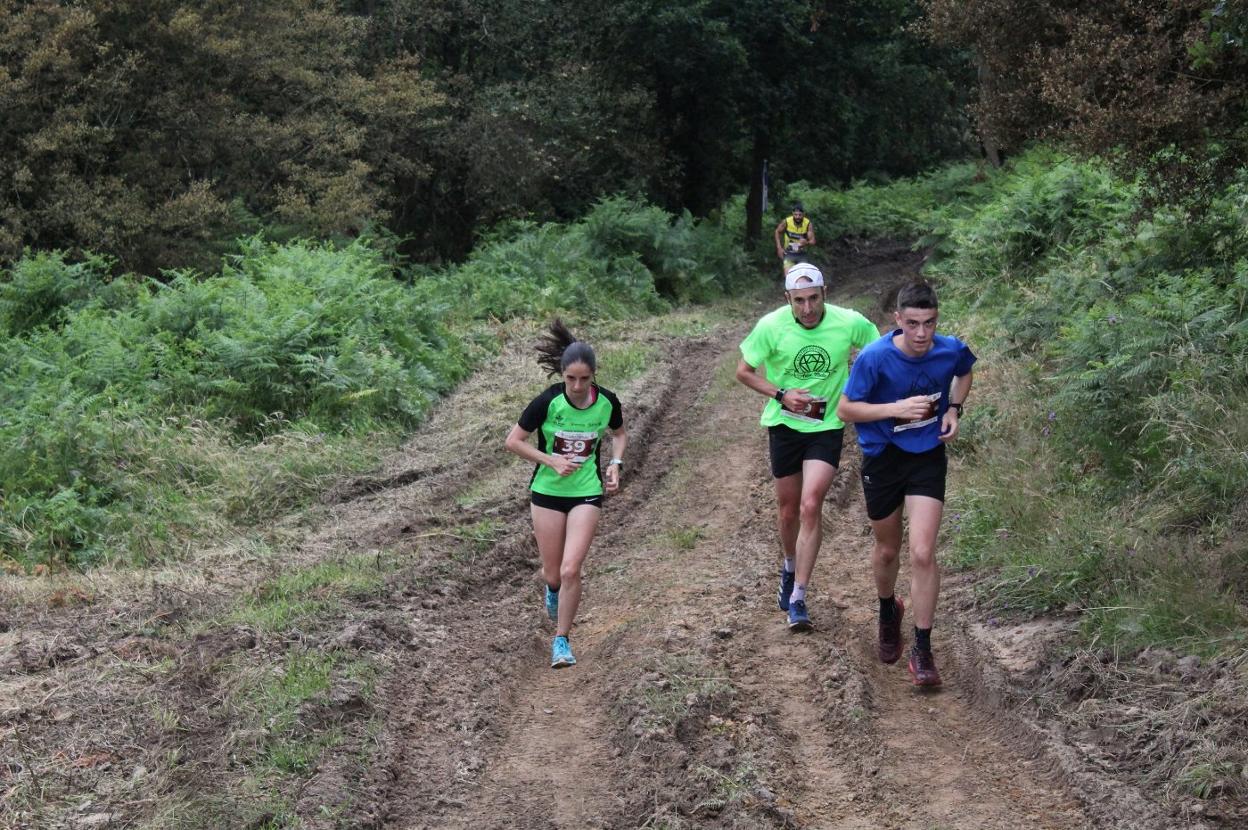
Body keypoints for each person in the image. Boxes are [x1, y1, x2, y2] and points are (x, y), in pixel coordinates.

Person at [835, 281, 975, 686]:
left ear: (937, 321)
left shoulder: (950, 349)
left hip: (927, 457)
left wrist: (953, 408)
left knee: (923, 552)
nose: (920, 334)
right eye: (912, 324)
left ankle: (923, 649)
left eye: (928, 324)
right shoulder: (875, 357)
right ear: (897, 321)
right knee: (887, 550)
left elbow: (965, 372)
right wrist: (895, 408)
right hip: (883, 457)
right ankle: (887, 610)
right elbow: (845, 409)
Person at [736, 263, 879, 631]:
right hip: (784, 425)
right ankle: (789, 566)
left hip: (826, 427)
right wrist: (781, 394)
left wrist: (862, 377)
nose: (808, 308)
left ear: (824, 293)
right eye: (799, 301)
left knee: (810, 504)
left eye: (813, 298)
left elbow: (878, 348)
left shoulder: (848, 322)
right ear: (788, 300)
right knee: (787, 512)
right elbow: (744, 371)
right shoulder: (771, 326)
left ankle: (799, 597)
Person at [505, 320, 627, 668]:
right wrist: (551, 460)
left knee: (573, 568)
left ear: (593, 376)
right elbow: (512, 442)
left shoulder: (607, 402)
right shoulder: (547, 402)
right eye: (570, 378)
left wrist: (616, 463)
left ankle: (562, 640)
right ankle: (552, 588)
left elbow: (619, 434)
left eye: (584, 379)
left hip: (587, 491)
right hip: (547, 491)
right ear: (562, 374)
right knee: (553, 573)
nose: (576, 386)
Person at [774, 202, 815, 274]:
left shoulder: (808, 223)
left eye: (800, 215)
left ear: (803, 214)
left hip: (802, 254)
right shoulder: (787, 221)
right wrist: (779, 248)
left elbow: (813, 241)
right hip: (788, 253)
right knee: (788, 277)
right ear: (792, 214)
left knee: (803, 277)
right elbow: (777, 231)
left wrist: (806, 243)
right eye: (795, 215)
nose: (797, 217)